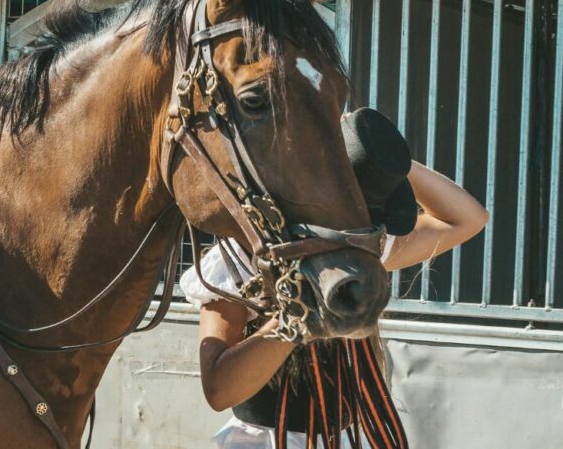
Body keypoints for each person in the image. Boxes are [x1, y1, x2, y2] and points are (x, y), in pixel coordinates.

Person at [180, 110, 489, 449]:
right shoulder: (239, 259)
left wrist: (383, 157)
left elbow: (468, 219)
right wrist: (299, 315)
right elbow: (219, 390)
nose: (364, 233)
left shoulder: (365, 249)